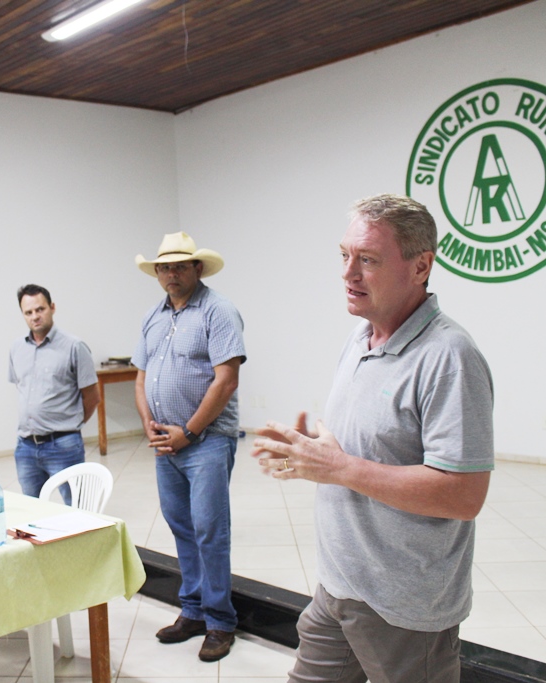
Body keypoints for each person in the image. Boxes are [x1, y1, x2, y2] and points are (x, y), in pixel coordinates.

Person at [253, 194, 495, 683]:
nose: (348, 273)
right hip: (339, 587)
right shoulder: (360, 339)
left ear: (421, 265)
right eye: (344, 256)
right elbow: (363, 450)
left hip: (403, 608)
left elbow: (463, 494)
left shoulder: (450, 356)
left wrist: (338, 468)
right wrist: (310, 452)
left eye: (367, 260)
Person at [133, 232, 246, 662]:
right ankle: (194, 609)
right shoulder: (153, 317)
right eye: (165, 266)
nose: (172, 273)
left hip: (206, 442)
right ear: (157, 272)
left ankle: (220, 622)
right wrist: (148, 422)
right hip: (166, 444)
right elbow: (142, 378)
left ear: (197, 268)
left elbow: (226, 380)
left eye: (181, 265)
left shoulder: (219, 311)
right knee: (182, 527)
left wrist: (191, 432)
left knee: (209, 531)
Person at [9, 284, 100, 505]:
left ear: (52, 307)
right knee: (32, 510)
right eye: (28, 312)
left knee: (77, 509)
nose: (35, 317)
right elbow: (21, 390)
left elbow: (91, 396)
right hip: (26, 447)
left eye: (40, 309)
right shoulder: (16, 349)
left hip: (63, 445)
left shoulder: (74, 347)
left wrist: (70, 425)